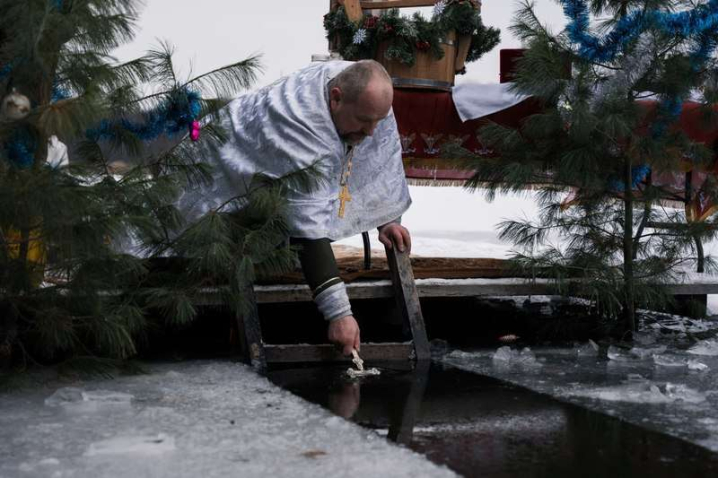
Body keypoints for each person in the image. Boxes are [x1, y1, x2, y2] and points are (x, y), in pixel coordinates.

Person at [180, 59, 412, 355]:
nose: (370, 132)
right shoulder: (299, 122)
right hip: (221, 159)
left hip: (292, 139)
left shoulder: (368, 101)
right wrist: (339, 314)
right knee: (210, 236)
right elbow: (307, 228)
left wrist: (387, 219)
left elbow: (381, 158)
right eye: (364, 120)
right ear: (336, 98)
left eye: (376, 121)